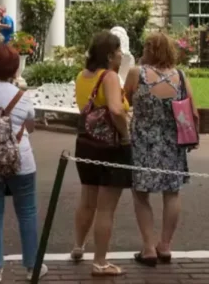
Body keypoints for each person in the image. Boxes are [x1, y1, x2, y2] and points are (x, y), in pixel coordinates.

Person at [0, 44, 46, 282]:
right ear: (15, 69)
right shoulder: (22, 97)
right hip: (20, 160)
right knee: (27, 212)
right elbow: (31, 125)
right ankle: (32, 266)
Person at [123, 32, 194, 267]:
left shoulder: (138, 74)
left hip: (143, 142)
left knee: (141, 194)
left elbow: (126, 100)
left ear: (149, 49)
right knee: (171, 193)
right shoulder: (181, 77)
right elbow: (193, 112)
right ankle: (165, 245)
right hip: (172, 143)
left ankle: (148, 247)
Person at [70, 31, 131, 276]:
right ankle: (100, 261)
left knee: (87, 199)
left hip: (86, 143)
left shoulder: (82, 76)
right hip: (110, 146)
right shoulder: (110, 77)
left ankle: (78, 245)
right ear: (109, 55)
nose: (121, 55)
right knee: (106, 207)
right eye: (118, 51)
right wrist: (125, 136)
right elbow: (116, 110)